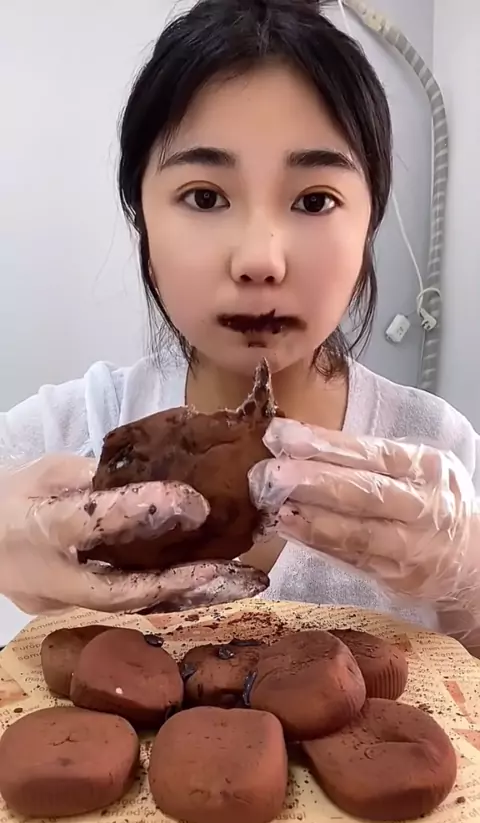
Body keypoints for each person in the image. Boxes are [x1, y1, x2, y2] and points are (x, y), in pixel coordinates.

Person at [1, 0, 479, 654]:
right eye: (205, 197)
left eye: (314, 200)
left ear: (369, 223)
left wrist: (470, 586)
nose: (260, 259)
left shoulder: (442, 463)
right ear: (142, 220)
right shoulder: (61, 437)